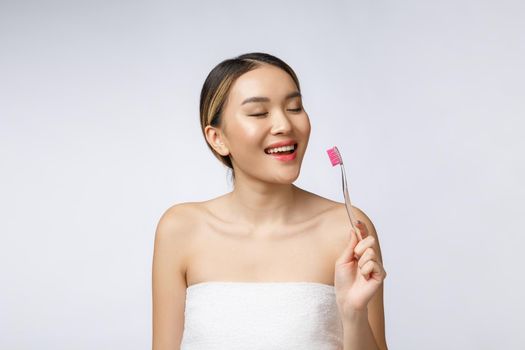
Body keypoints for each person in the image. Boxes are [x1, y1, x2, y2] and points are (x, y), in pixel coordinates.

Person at [152, 52, 388, 350]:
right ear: (217, 138)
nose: (284, 125)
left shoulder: (348, 229)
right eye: (259, 113)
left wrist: (354, 314)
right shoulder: (181, 229)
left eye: (294, 107)